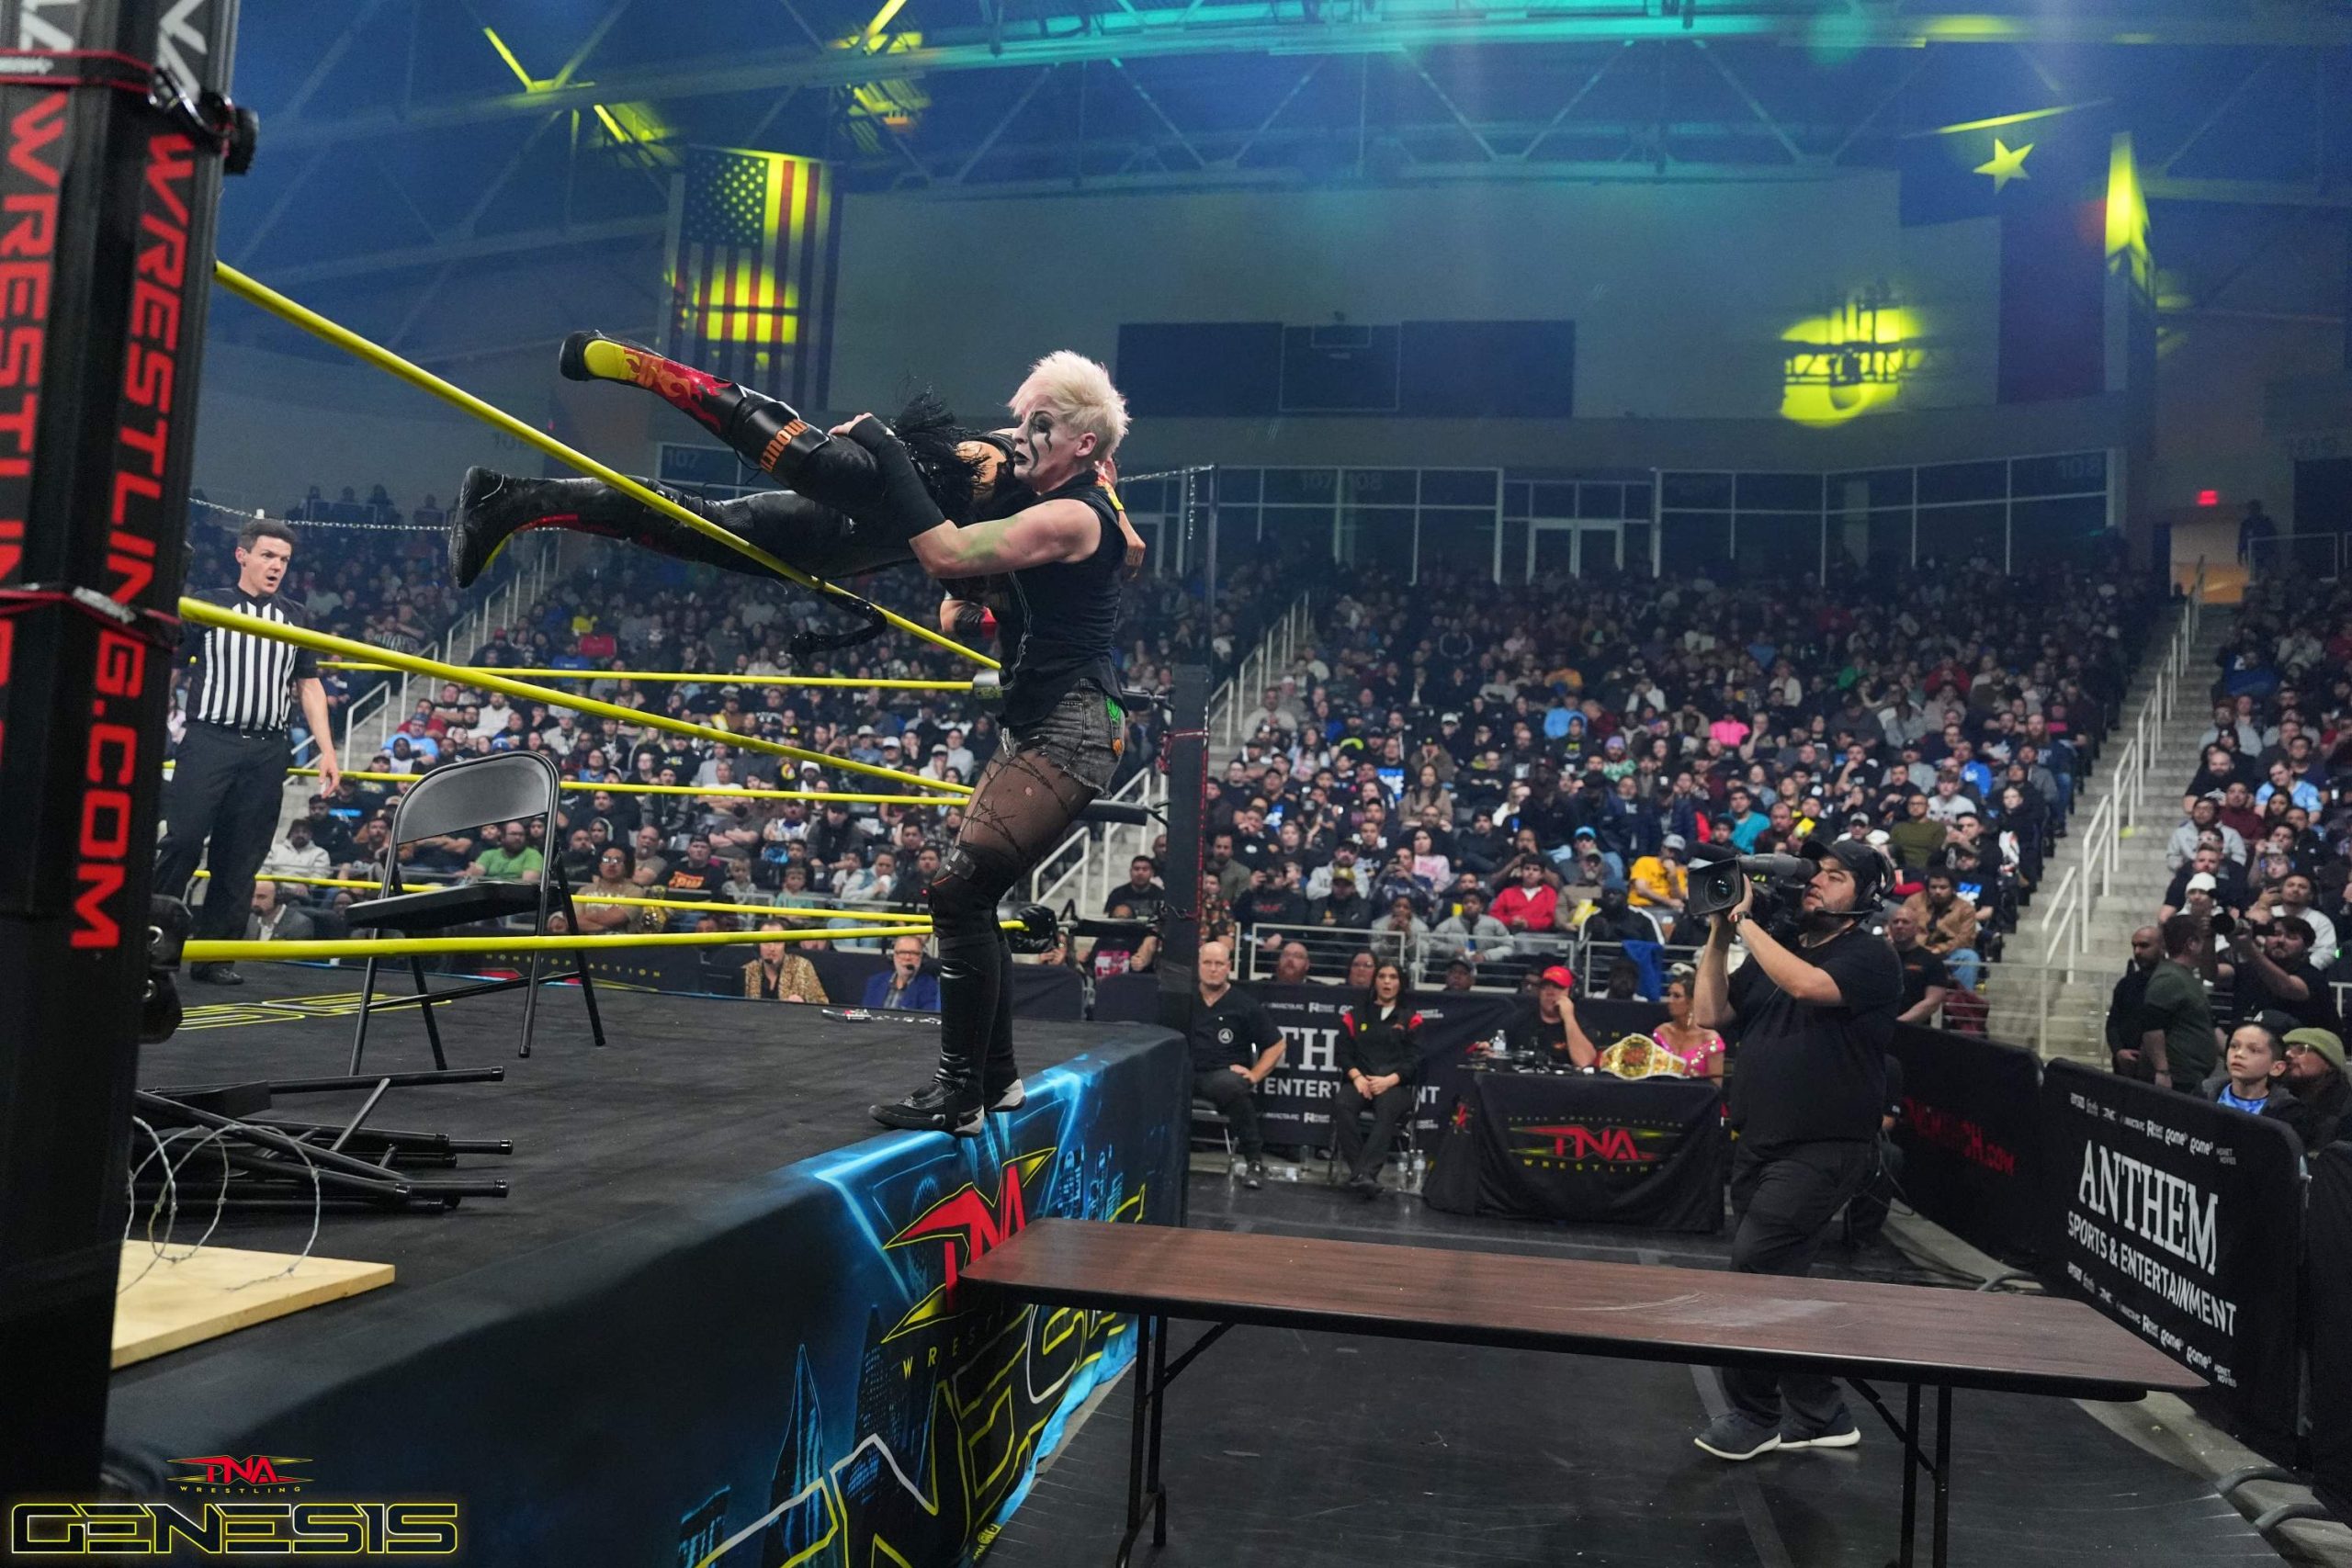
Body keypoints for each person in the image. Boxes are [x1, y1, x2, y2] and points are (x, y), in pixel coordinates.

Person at [1690, 837, 1901, 1461]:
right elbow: (1709, 1013)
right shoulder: (1777, 948)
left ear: (1865, 896)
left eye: (1835, 876)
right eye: (1816, 872)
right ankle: (1821, 1412)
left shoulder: (1870, 955)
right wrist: (1720, 933)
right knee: (1779, 1281)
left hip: (1824, 1146)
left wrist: (1748, 922)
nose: (1817, 881)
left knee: (1754, 1269)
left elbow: (1809, 987)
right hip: (1759, 1141)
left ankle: (1756, 1415)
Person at [156, 519, 343, 984]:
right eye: (268, 556)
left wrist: (327, 750)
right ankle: (151, 944)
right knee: (182, 841)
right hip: (209, 740)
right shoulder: (210, 604)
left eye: (284, 559)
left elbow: (309, 684)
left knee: (240, 859)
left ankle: (215, 959)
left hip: (266, 750)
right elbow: (172, 668)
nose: (276, 566)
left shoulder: (296, 616)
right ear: (243, 556)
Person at [1181, 940, 1285, 1190]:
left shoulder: (1244, 1004)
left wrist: (1255, 1074)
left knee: (1233, 1087)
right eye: (1207, 963)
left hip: (1221, 1075)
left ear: (1228, 967)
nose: (1213, 969)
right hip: (1184, 1071)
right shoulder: (1183, 999)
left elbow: (1277, 1044)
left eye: (1219, 964)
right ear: (1198, 965)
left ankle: (1254, 1162)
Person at [1335, 961, 1423, 1198]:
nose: (1387, 982)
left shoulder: (1411, 1018)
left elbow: (1415, 1059)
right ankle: (1362, 1175)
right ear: (1375, 981)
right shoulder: (1355, 1015)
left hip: (1395, 1085)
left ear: (1400, 983)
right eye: (1382, 976)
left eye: (1393, 977)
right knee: (1343, 1104)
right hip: (1361, 1081)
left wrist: (1389, 1080)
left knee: (1387, 1109)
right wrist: (1357, 1077)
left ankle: (1364, 1174)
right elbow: (1343, 1053)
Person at [2122, 913, 2217, 1091]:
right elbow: (2152, 1027)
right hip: (2177, 1078)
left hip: (2189, 1076)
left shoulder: (2182, 976)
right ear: (2192, 943)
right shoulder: (2170, 978)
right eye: (2202, 941)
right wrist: (2162, 1071)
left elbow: (2211, 973)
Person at [2199, 1021, 2313, 1145]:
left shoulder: (2288, 1111)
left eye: (2254, 1050)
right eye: (2234, 1046)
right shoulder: (2204, 1092)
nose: (2239, 1054)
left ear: (2276, 1068)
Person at [1507, 964, 1599, 1067]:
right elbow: (1498, 1051)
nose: (1550, 992)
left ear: (1571, 993)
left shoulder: (1581, 1024)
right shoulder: (1520, 1019)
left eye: (1558, 987)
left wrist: (1568, 1018)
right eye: (1544, 987)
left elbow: (1584, 1062)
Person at [2104, 927, 2162, 1070]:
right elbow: (2113, 1023)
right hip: (2126, 1065)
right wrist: (2119, 1051)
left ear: (2162, 947)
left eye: (2144, 945)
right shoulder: (2126, 984)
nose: (2137, 952)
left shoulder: (2172, 983)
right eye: (2134, 946)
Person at [1651, 971, 1725, 1081]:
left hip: (1699, 1092)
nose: (1669, 1000)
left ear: (1692, 1001)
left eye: (1676, 996)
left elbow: (1716, 1085)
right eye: (1669, 995)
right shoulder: (1661, 1033)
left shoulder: (1710, 1040)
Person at [2283, 1028, 2349, 1148]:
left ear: (2329, 1063)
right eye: (2285, 1049)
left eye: (2302, 1049)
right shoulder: (2278, 1097)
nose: (2288, 1054)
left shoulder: (2345, 1111)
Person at [1885, 908, 1951, 1027]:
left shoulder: (1932, 961)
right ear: (1889, 927)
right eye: (1895, 922)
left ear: (1917, 928)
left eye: (1905, 922)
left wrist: (1897, 1024)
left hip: (1913, 1030)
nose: (1899, 926)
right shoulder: (1877, 957)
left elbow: (1932, 1002)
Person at [744, 919, 828, 1003]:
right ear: (758, 945)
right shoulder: (748, 970)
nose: (772, 948)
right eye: (766, 942)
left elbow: (822, 1004)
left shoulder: (803, 967)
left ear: (785, 945)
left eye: (777, 942)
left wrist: (803, 1005)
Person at [862, 936, 943, 1011]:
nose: (907, 958)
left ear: (922, 958)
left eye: (914, 953)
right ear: (892, 956)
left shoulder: (931, 987)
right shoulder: (875, 982)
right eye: (902, 952)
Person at [246, 881, 316, 943]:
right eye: (252, 897)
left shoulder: (300, 925)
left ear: (278, 898)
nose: (254, 903)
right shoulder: (251, 919)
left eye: (261, 897)